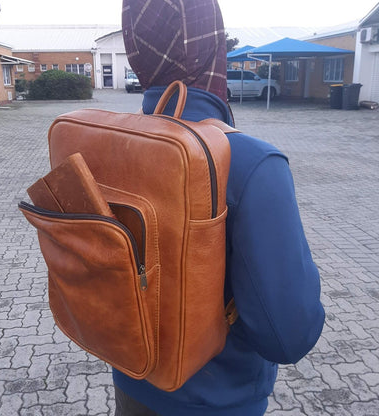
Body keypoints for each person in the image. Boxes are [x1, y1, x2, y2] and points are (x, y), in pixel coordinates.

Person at [114, 1, 325, 415]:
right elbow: (289, 336)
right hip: (218, 401)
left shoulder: (112, 142)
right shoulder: (249, 163)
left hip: (131, 382)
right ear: (214, 51)